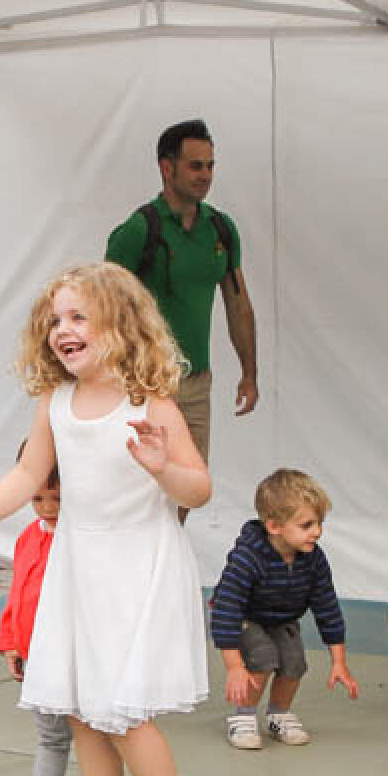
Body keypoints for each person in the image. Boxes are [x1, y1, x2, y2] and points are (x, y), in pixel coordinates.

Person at [0, 261, 209, 776]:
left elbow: (198, 488)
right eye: (55, 319)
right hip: (78, 565)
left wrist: (162, 466)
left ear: (122, 324)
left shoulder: (151, 404)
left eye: (79, 317)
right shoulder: (55, 403)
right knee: (81, 709)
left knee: (122, 711)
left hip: (136, 566)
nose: (63, 329)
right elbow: (28, 475)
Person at [106, 118, 257, 514]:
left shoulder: (220, 228)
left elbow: (238, 302)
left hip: (196, 381)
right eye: (195, 166)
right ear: (167, 168)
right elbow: (103, 310)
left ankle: (169, 553)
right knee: (139, 487)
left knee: (190, 485)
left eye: (210, 165)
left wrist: (249, 372)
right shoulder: (138, 230)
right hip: (145, 382)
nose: (205, 175)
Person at [210, 468, 359, 751]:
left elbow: (327, 606)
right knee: (263, 657)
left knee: (294, 662)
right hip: (245, 617)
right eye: (306, 525)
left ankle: (278, 714)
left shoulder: (313, 559)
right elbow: (226, 609)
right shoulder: (247, 558)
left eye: (319, 523)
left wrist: (339, 661)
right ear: (274, 526)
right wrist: (234, 667)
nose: (317, 532)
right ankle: (243, 717)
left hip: (281, 618)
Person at [0, 449, 95, 776]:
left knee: (93, 738)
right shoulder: (27, 537)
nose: (48, 508)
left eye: (57, 498)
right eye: (38, 498)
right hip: (37, 656)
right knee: (50, 735)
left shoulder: (83, 541)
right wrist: (11, 642)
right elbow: (18, 593)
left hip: (77, 655)